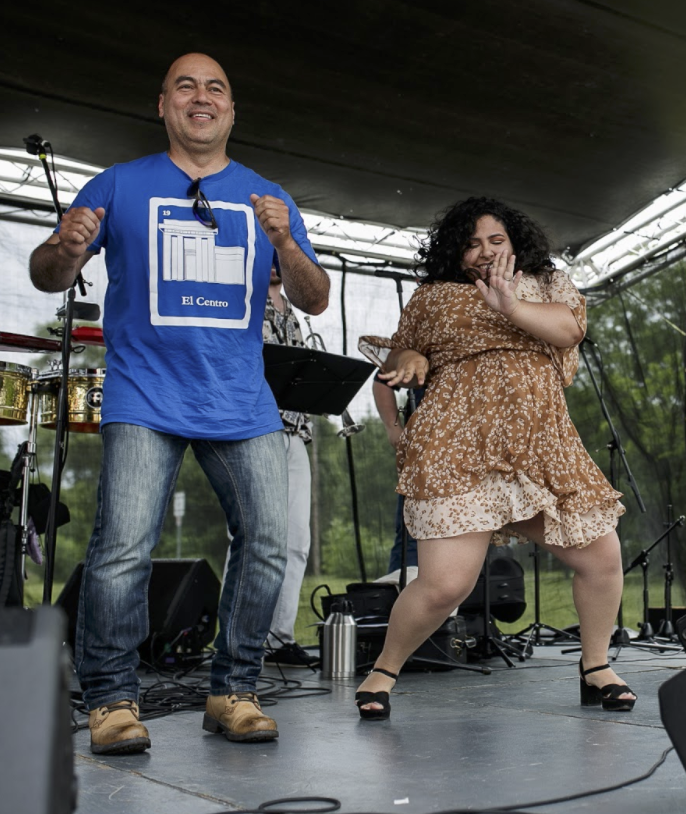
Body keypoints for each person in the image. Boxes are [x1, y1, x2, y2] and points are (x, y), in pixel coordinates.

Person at [29, 53, 330, 754]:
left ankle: (233, 690)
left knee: (268, 544)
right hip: (144, 391)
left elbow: (314, 297)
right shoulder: (120, 183)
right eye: (186, 86)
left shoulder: (265, 195)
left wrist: (284, 240)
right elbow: (47, 275)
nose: (202, 97)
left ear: (232, 110)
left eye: (216, 87)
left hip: (240, 398)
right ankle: (109, 701)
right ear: (161, 104)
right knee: (121, 550)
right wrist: (68, 252)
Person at [354, 197, 635, 719]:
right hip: (455, 446)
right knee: (444, 585)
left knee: (601, 556)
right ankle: (383, 670)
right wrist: (406, 380)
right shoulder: (433, 298)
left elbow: (569, 330)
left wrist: (511, 305)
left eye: (496, 241)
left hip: (540, 446)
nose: (484, 252)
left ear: (516, 243)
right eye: (472, 243)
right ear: (455, 253)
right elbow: (392, 363)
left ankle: (596, 666)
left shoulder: (546, 282)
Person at [258, 264, 318, 667]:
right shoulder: (243, 301)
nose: (278, 263)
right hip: (256, 427)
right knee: (256, 536)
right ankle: (245, 639)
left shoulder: (293, 311)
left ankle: (279, 638)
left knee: (296, 542)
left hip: (295, 431)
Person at [373, 379, 420, 576]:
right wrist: (394, 429)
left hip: (482, 454)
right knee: (413, 534)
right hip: (427, 455)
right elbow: (383, 378)